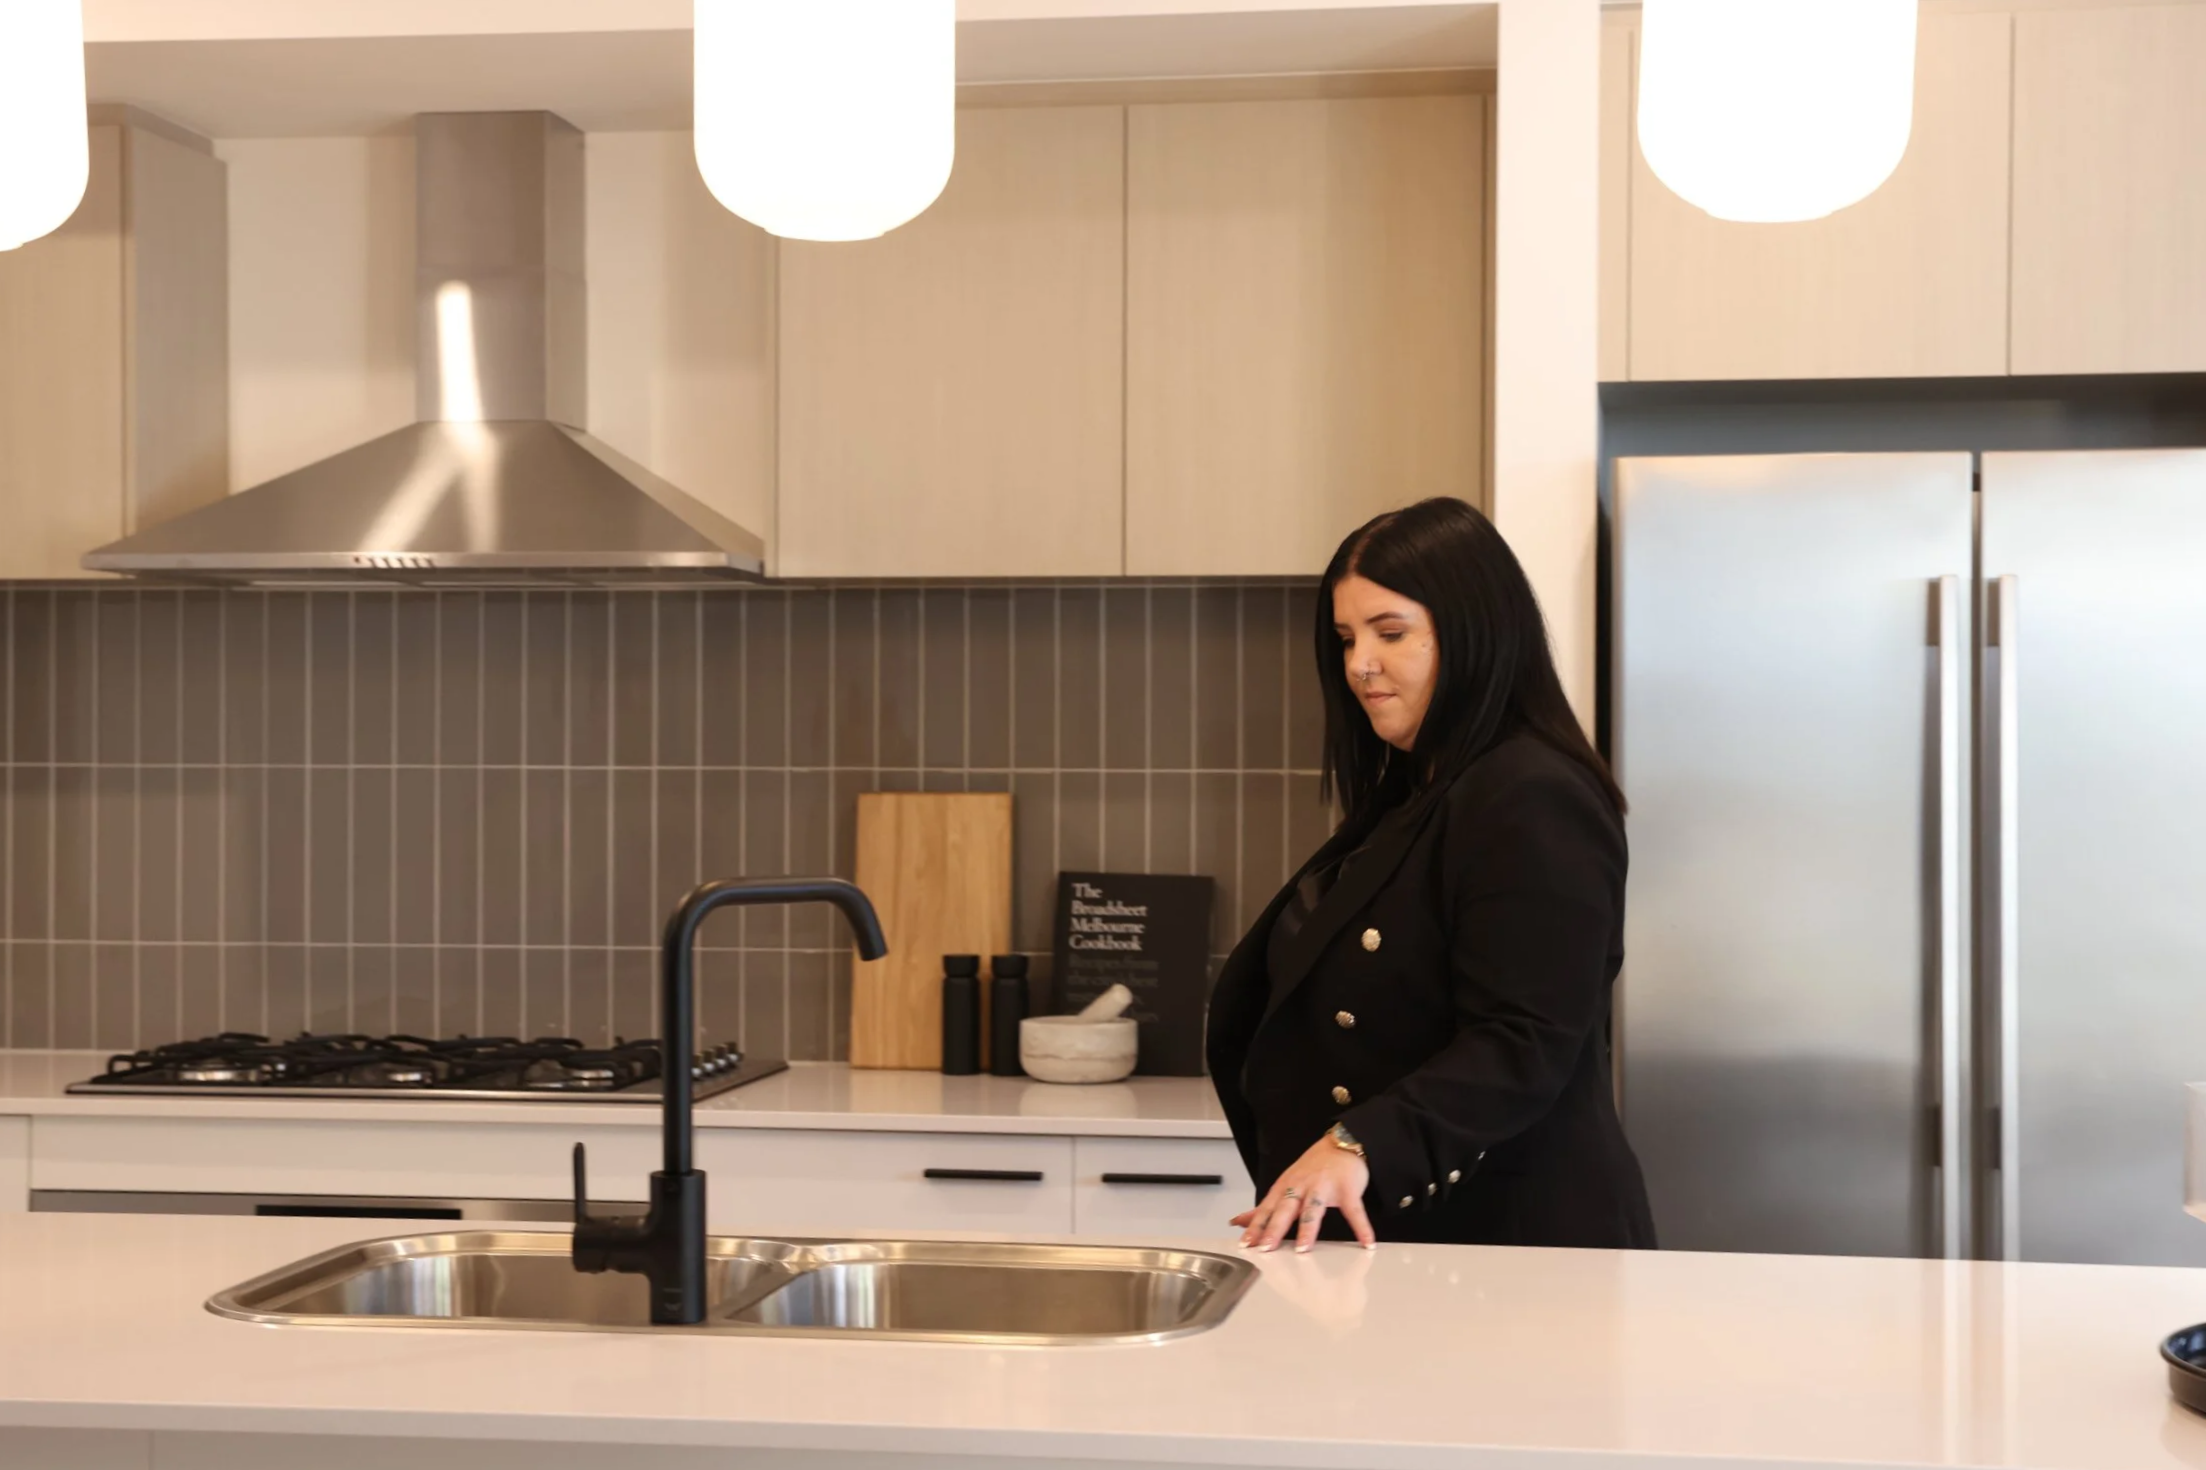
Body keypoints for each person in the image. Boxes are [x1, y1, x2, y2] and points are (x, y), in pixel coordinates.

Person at [1207, 497, 1657, 1253]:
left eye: (1391, 633)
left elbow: (1525, 1037)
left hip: (1514, 1249)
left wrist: (1358, 1145)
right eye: (1347, 638)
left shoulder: (1529, 791)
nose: (1359, 665)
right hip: (1417, 1236)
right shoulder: (1419, 793)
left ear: (1478, 629)